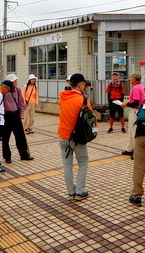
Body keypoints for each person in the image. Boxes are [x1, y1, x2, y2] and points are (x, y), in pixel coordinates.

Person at [58, 73, 92, 201]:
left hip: (63, 136)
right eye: (84, 84)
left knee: (67, 165)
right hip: (77, 137)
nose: (84, 86)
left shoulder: (62, 98)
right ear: (80, 84)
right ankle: (80, 191)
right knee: (83, 163)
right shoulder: (82, 100)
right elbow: (91, 118)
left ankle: (70, 192)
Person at [2, 74, 34, 162]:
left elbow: (21, 103)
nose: (16, 82)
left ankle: (24, 155)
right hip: (7, 116)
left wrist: (21, 114)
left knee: (20, 136)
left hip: (16, 115)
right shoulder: (4, 91)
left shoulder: (18, 90)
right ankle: (7, 157)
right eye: (15, 81)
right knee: (5, 138)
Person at [121, 73, 145, 156]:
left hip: (135, 111)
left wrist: (126, 104)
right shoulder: (140, 87)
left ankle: (136, 150)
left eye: (131, 77)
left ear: (135, 79)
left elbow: (135, 102)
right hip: (138, 111)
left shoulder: (136, 88)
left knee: (134, 131)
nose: (130, 79)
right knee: (132, 131)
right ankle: (130, 148)